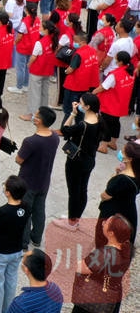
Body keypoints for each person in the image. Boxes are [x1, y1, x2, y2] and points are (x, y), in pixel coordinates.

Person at [52, 93, 100, 230]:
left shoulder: (83, 125)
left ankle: (71, 222)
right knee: (83, 189)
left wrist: (72, 114)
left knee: (73, 191)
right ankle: (76, 217)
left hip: (76, 161)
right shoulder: (99, 120)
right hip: (90, 159)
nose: (78, 104)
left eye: (81, 103)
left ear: (87, 107)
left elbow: (65, 130)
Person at [0, 176, 30, 313]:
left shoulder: (2, 211)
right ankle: (7, 309)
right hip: (16, 251)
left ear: (8, 192)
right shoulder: (26, 207)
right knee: (11, 281)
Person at [15, 106, 59, 250]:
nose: (34, 116)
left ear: (39, 121)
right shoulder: (54, 137)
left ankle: (23, 242)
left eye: (36, 115)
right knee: (39, 211)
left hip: (28, 181)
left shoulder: (30, 141)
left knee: (25, 212)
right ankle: (36, 238)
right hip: (44, 181)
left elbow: (19, 160)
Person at [71, 214, 133, 313]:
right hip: (112, 296)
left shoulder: (103, 255)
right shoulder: (127, 248)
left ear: (111, 233)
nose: (103, 223)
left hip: (92, 298)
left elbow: (80, 268)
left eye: (106, 223)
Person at [94, 140, 140, 248]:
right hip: (128, 215)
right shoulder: (137, 175)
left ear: (130, 159)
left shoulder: (121, 179)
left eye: (123, 152)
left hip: (112, 214)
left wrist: (116, 175)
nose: (121, 153)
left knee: (104, 242)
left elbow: (105, 195)